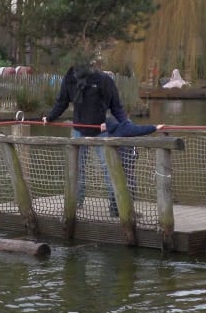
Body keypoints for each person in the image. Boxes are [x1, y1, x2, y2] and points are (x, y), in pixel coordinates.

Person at [42, 56, 128, 212]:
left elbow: (116, 106)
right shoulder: (69, 79)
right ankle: (76, 202)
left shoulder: (103, 80)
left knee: (108, 167)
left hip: (101, 129)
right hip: (79, 129)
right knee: (76, 167)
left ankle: (115, 206)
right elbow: (62, 101)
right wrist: (50, 118)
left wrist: (126, 124)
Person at [102, 116, 169, 214]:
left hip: (115, 161)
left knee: (116, 183)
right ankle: (127, 211)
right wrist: (155, 127)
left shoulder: (110, 130)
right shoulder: (125, 128)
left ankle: (114, 209)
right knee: (130, 185)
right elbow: (139, 130)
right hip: (126, 161)